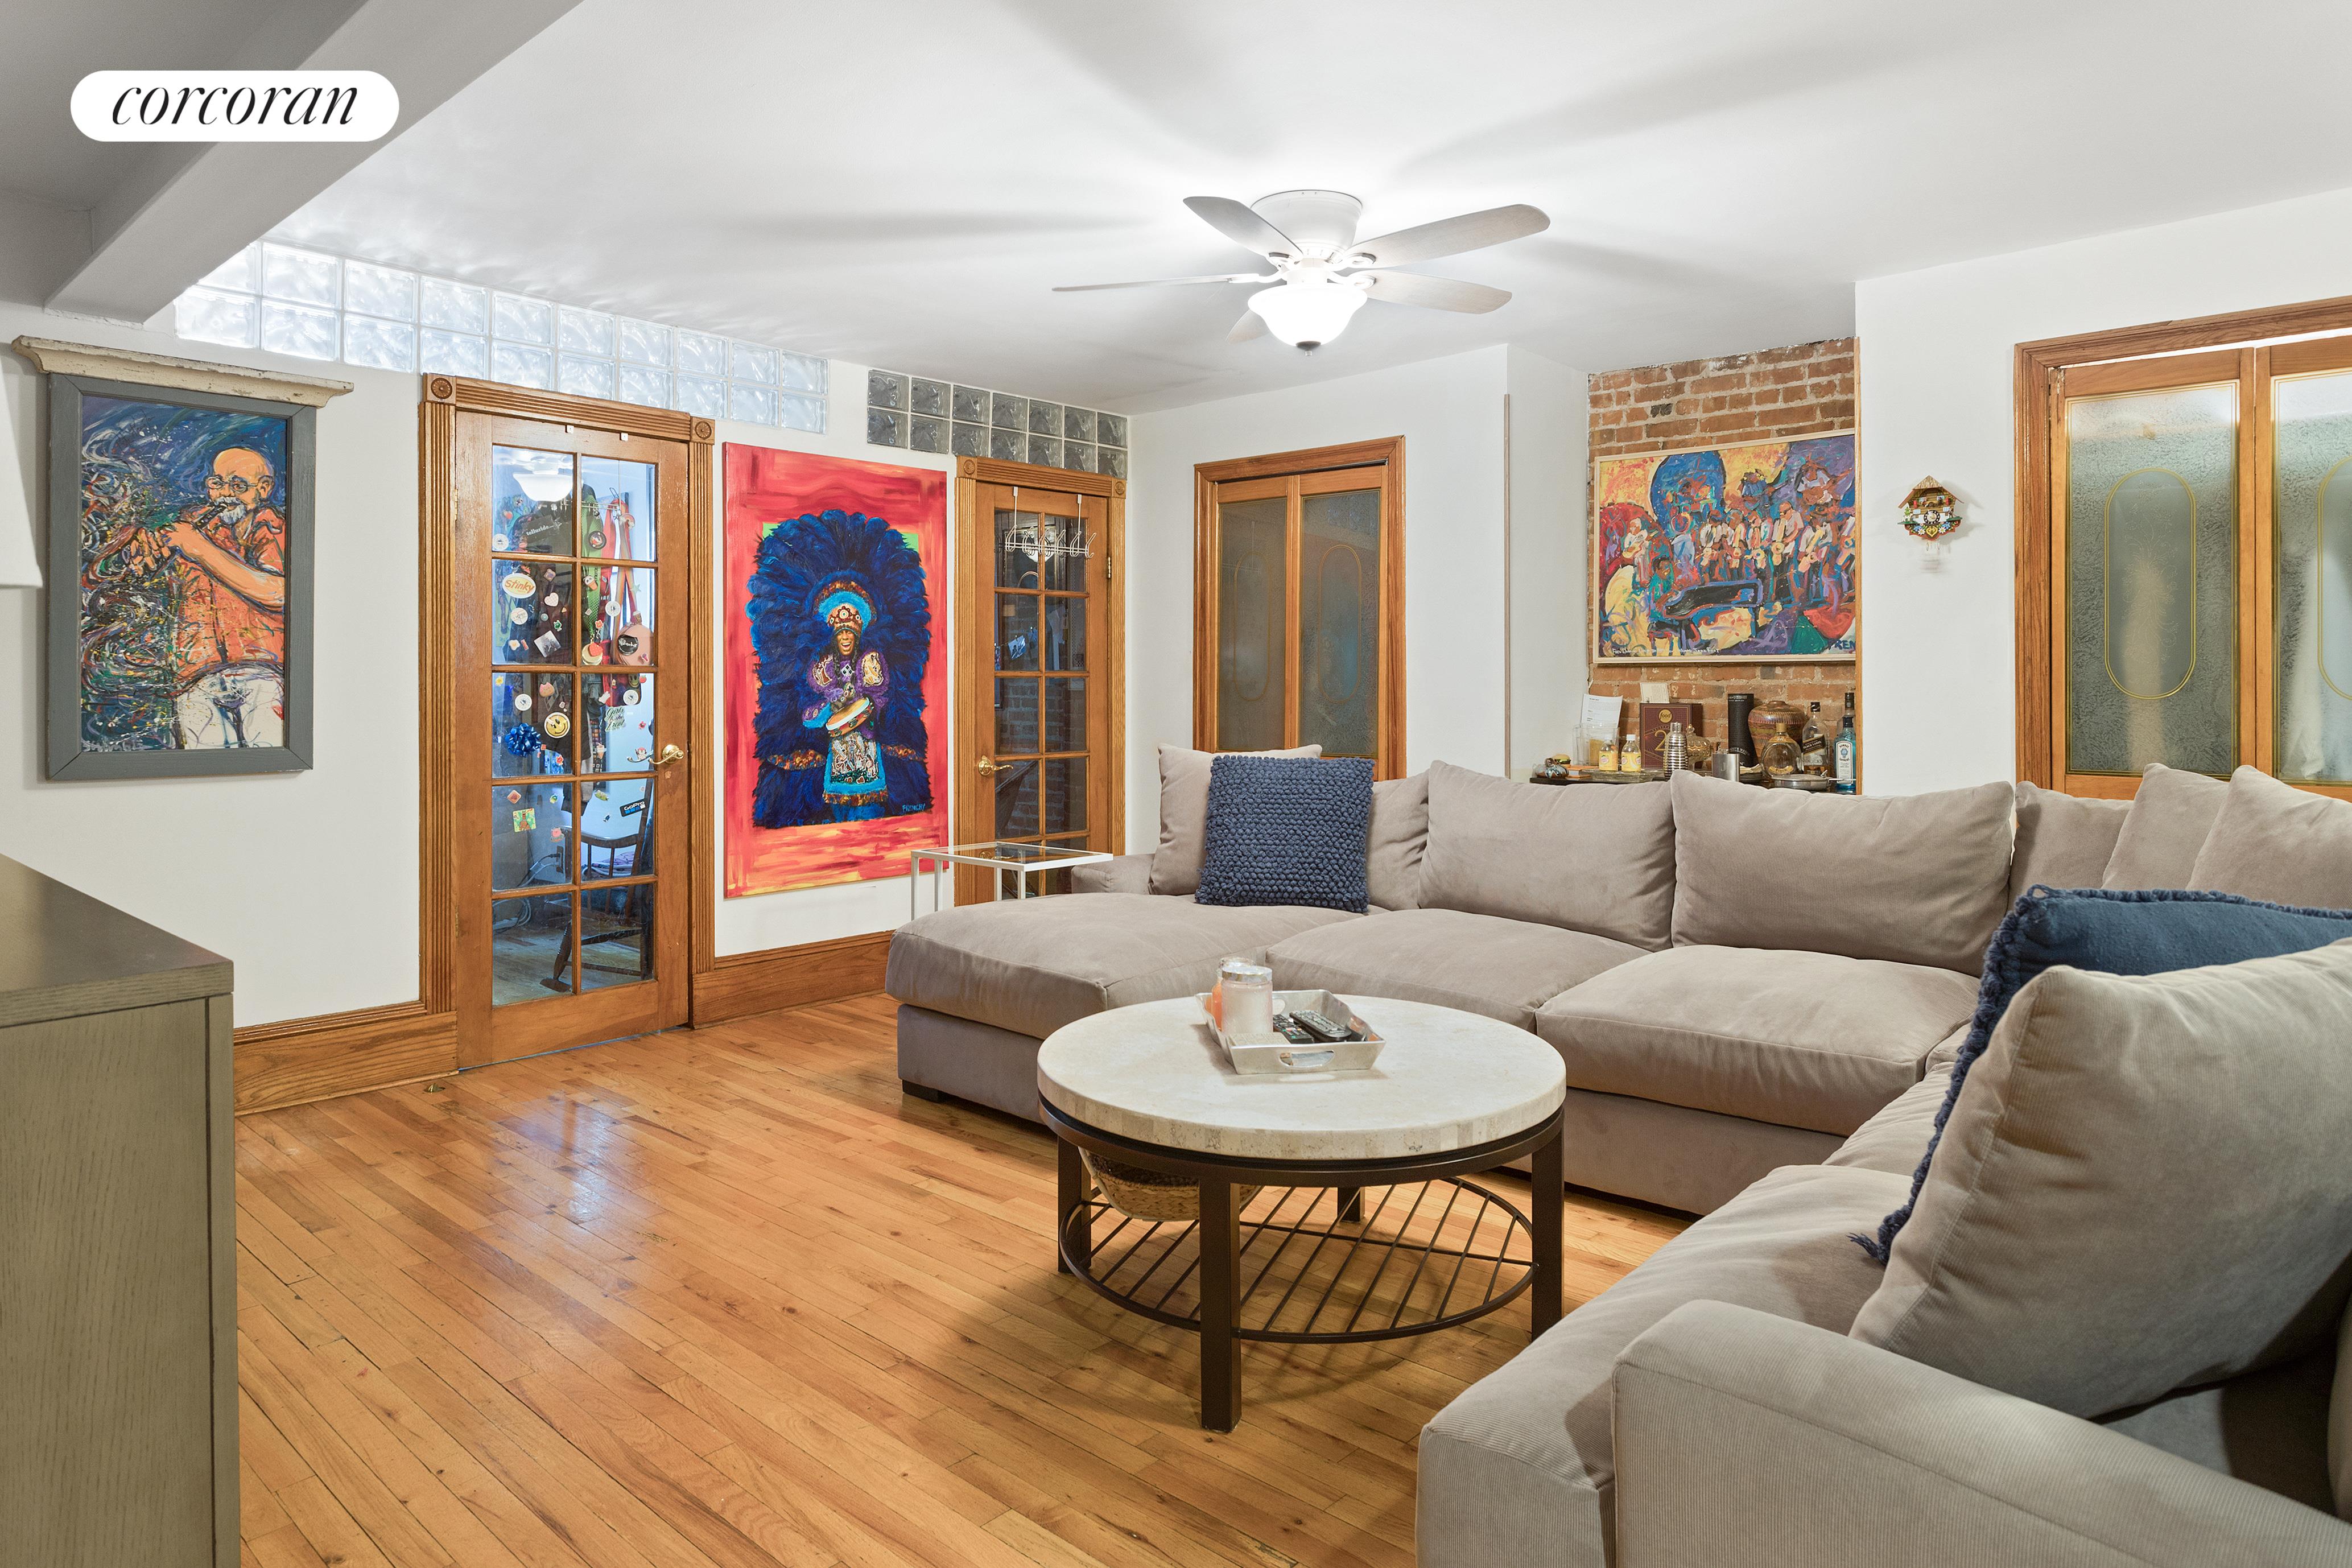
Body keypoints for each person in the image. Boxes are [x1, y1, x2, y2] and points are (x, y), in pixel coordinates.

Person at [122, 444, 286, 749]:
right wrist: (143, 546)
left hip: (261, 671)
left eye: (238, 485)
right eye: (217, 483)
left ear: (264, 489)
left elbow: (278, 593)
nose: (225, 493)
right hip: (194, 674)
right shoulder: (190, 522)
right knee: (200, 763)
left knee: (270, 756)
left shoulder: (275, 527)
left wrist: (199, 548)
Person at [800, 584, 892, 819]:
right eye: (840, 633)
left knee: (870, 813)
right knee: (839, 815)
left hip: (866, 746)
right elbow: (811, 717)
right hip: (839, 752)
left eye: (849, 632)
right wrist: (832, 705)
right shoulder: (824, 667)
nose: (845, 637)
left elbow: (879, 697)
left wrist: (862, 701)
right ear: (834, 636)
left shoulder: (870, 661)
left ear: (857, 635)